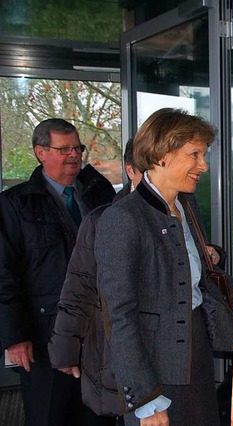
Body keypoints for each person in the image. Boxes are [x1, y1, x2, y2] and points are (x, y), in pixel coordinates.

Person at [94, 108, 233, 426]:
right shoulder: (122, 218)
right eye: (194, 154)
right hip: (153, 369)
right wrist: (146, 397)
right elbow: (119, 318)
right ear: (163, 154)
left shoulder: (186, 205)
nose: (203, 166)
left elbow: (204, 275)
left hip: (196, 354)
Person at [0, 118, 116, 425]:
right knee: (50, 414)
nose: (73, 155)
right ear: (40, 152)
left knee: (98, 415)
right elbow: (4, 274)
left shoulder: (99, 193)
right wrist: (15, 336)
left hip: (98, 333)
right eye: (63, 148)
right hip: (44, 334)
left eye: (76, 148)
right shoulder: (15, 204)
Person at [47, 139, 143, 423]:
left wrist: (214, 255)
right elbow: (80, 288)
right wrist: (65, 349)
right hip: (115, 350)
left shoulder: (183, 214)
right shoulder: (104, 220)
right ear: (131, 170)